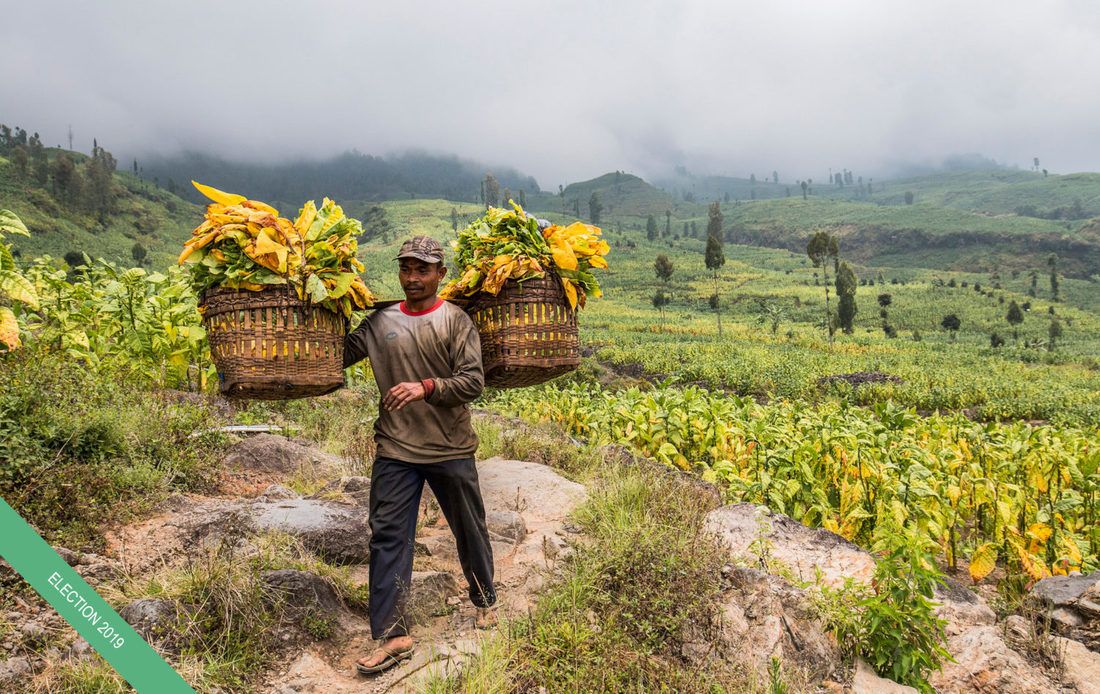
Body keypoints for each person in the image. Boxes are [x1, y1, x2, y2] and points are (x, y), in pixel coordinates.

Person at [343, 235, 497, 676]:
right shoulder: (379, 322)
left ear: (439, 275)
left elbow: (472, 383)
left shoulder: (455, 321)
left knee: (469, 527)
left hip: (450, 447)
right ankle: (394, 635)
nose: (412, 277)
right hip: (396, 448)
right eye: (406, 268)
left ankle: (484, 598)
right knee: (388, 535)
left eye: (422, 269)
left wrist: (425, 387)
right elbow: (338, 354)